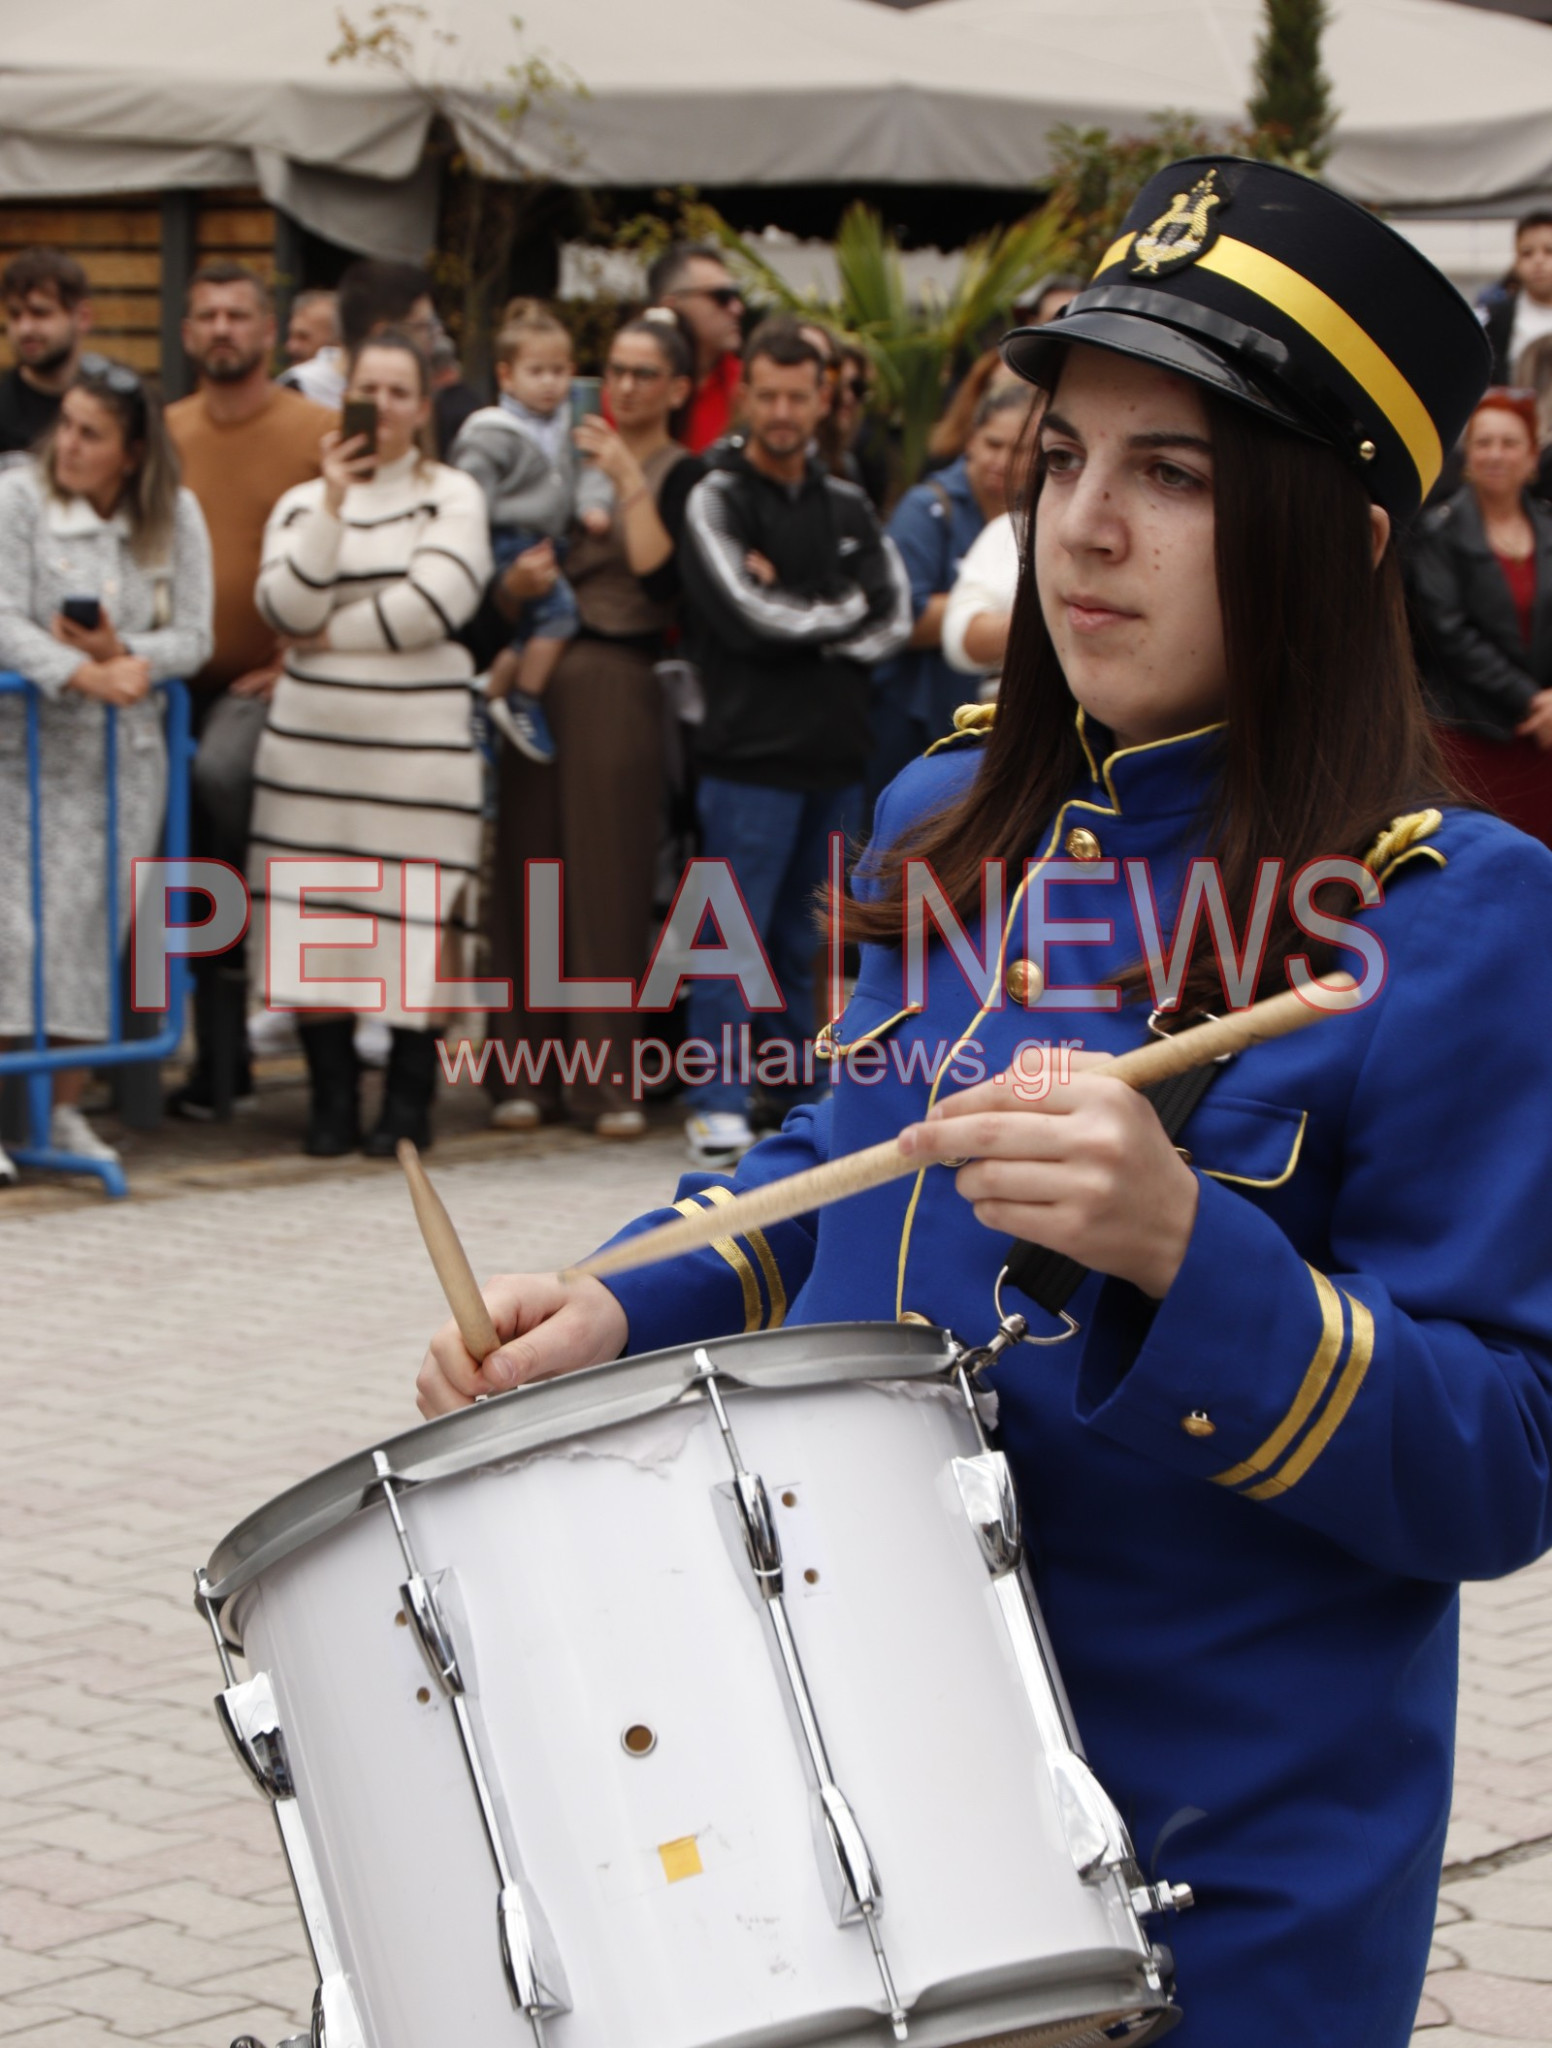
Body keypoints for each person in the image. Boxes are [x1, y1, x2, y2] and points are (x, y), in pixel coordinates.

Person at [418, 159, 1551, 2048]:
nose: (1085, 526)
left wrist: (1188, 1251)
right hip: (860, 1800)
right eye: (1066, 452)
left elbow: (1506, 1460)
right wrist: (630, 1292)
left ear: (1341, 539)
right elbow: (833, 1158)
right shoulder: (957, 820)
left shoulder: (1459, 920)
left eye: (1173, 473)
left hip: (1216, 1880)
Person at [675, 317, 911, 1167]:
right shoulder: (713, 492)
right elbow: (743, 612)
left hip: (834, 757)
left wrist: (802, 609)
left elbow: (895, 616)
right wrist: (834, 603)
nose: (781, 411)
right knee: (728, 931)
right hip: (746, 760)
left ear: (822, 399)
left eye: (796, 395)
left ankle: (791, 1090)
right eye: (766, 394)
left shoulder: (847, 502)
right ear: (745, 396)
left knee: (807, 941)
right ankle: (719, 1096)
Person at [250, 329, 491, 1158]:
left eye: (398, 393)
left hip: (420, 766)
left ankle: (410, 1105)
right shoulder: (299, 502)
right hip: (309, 764)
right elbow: (282, 607)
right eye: (367, 390)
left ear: (424, 406)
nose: (380, 407)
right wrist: (331, 503)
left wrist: (322, 638)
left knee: (415, 926)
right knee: (310, 919)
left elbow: (437, 601)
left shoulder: (453, 493)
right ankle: (329, 1104)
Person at [481, 309, 701, 1141]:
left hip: (620, 670)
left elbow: (660, 576)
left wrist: (625, 475)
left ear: (678, 388)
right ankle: (518, 1074)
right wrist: (517, 589)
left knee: (607, 879)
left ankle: (606, 1083)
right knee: (526, 872)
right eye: (615, 370)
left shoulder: (685, 471)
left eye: (645, 374)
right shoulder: (555, 452)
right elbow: (506, 557)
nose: (625, 386)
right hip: (539, 670)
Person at [0, 355, 212, 1181]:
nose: (70, 447)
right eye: (66, 427)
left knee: (88, 936)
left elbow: (193, 635)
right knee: (10, 934)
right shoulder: (18, 495)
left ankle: (59, 1113)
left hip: (122, 760)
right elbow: (3, 615)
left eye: (92, 434)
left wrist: (125, 655)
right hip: (24, 753)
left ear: (130, 452)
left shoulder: (174, 514)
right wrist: (79, 670)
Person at [164, 261, 336, 1119]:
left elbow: (351, 547)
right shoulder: (165, 431)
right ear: (189, 332)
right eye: (208, 316)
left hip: (275, 689)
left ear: (270, 332)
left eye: (239, 315)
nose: (223, 329)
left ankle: (293, 1058)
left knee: (224, 797)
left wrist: (294, 658)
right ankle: (213, 1069)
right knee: (182, 868)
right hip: (170, 683)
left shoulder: (317, 427)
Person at [450, 302, 613, 765]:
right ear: (507, 376)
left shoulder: (569, 426)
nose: (549, 382)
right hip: (510, 538)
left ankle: (483, 698)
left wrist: (595, 508)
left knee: (533, 629)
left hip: (551, 542)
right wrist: (472, 536)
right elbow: (469, 490)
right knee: (560, 614)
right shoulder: (492, 431)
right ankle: (523, 699)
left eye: (559, 371)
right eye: (536, 371)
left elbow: (590, 476)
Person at [869, 384, 1033, 801]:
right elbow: (902, 615)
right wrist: (990, 612)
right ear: (971, 440)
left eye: (1019, 449)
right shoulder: (928, 508)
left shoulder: (1040, 517)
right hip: (914, 718)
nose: (1001, 460)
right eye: (992, 443)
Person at [1409, 388, 1552, 846]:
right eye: (1484, 443)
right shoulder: (1439, 530)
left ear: (1532, 457)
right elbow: (1450, 633)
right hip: (1473, 736)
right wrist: (1534, 701)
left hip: (1545, 741)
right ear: (1468, 455)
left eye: (1510, 444)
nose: (1496, 454)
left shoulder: (1549, 527)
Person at [280, 259, 437, 413]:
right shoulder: (296, 394)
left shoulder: (420, 396)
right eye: (422, 327)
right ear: (382, 335)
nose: (432, 338)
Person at [646, 242, 745, 453]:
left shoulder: (748, 386)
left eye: (736, 296)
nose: (737, 308)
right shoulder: (628, 384)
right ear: (670, 305)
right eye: (722, 297)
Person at [0, 249, 94, 456]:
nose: (25, 329)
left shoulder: (115, 408)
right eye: (15, 315)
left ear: (82, 317)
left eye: (40, 313)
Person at [1482, 211, 1552, 384]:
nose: (1539, 261)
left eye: (1549, 251)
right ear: (1516, 261)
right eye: (1527, 253)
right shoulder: (1496, 319)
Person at [283, 289, 339, 370]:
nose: (291, 347)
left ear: (337, 342)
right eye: (290, 336)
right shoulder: (289, 380)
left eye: (303, 337)